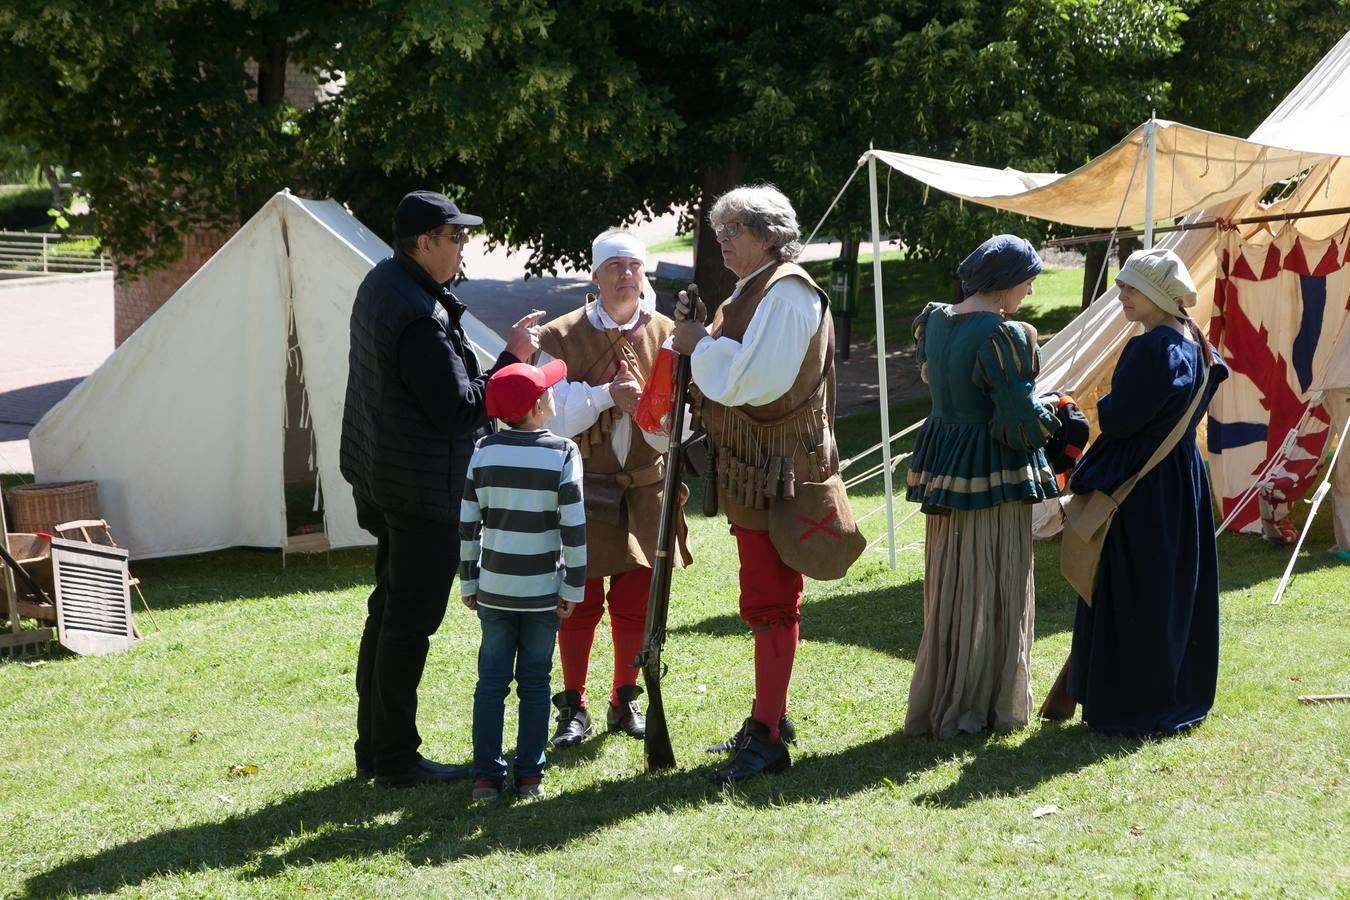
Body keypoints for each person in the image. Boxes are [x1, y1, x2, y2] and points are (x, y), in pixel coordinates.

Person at [339, 190, 543, 787]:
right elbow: (458, 410)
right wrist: (512, 363)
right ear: (423, 243)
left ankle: (377, 751)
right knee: (406, 623)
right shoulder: (416, 314)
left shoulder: (385, 281)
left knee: (388, 615)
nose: (463, 246)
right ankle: (395, 759)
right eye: (454, 237)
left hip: (385, 477)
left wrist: (505, 360)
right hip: (418, 491)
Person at [670, 184, 836, 781]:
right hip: (755, 467)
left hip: (778, 470)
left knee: (770, 603)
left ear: (768, 234)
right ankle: (771, 716)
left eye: (732, 230)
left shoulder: (788, 294)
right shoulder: (755, 289)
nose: (721, 242)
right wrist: (697, 339)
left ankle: (767, 737)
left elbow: (752, 382)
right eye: (717, 231)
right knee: (764, 598)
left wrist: (699, 346)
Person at [535, 229, 692, 748]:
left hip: (646, 488)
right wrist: (607, 395)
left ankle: (625, 699)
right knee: (578, 603)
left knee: (635, 601)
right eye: (615, 267)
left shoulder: (669, 333)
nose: (626, 276)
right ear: (596, 275)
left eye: (634, 267)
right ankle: (573, 706)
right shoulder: (560, 335)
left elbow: (684, 420)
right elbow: (550, 415)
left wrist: (645, 411)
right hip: (585, 486)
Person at [904, 234, 1062, 739]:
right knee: (994, 578)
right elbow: (1017, 418)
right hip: (992, 470)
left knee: (952, 578)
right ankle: (984, 702)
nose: (1030, 293)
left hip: (946, 464)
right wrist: (1055, 418)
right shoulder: (1006, 335)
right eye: (1028, 282)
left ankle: (947, 691)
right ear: (1005, 284)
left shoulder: (933, 323)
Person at [1065, 248, 1228, 736]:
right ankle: (1173, 690)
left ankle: (1134, 702)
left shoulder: (1154, 346)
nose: (1122, 295)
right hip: (1180, 474)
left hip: (1146, 485)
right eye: (1122, 286)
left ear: (1159, 294)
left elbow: (1119, 418)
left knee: (1137, 590)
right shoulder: (1196, 341)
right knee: (1174, 585)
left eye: (1132, 288)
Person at [460, 360, 586, 800]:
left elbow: (468, 524)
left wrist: (469, 582)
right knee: (536, 682)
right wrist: (573, 587)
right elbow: (574, 527)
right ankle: (529, 775)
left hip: (493, 590)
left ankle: (485, 777)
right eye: (548, 388)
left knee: (490, 683)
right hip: (542, 595)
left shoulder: (482, 452)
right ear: (537, 405)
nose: (553, 391)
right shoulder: (563, 452)